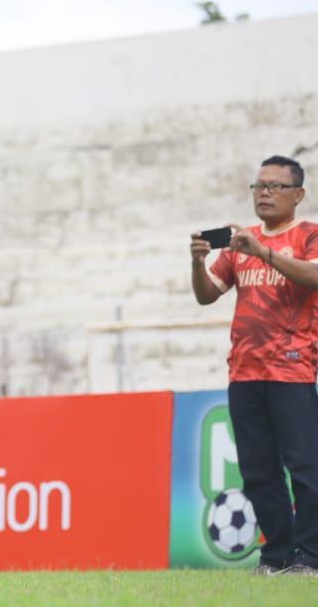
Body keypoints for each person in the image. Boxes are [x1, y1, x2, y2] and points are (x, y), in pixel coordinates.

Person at [190, 155, 318, 575]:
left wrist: (262, 251)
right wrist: (197, 262)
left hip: (292, 370)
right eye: (258, 186)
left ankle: (310, 556)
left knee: (305, 468)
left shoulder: (309, 235)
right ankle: (277, 554)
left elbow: (312, 277)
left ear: (298, 195)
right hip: (244, 372)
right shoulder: (240, 242)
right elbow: (208, 295)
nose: (264, 193)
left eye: (275, 186)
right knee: (258, 471)